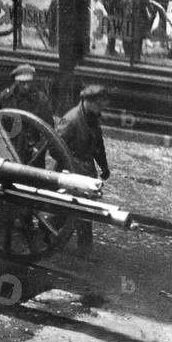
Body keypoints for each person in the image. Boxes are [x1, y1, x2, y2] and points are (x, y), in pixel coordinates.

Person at [57, 85, 111, 253]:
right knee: (65, 206)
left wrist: (104, 166)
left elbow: (98, 145)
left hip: (86, 170)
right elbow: (55, 146)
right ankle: (48, 235)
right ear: (87, 101)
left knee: (82, 208)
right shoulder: (71, 119)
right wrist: (69, 164)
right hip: (70, 171)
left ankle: (83, 248)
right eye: (98, 104)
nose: (100, 108)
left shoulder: (92, 117)